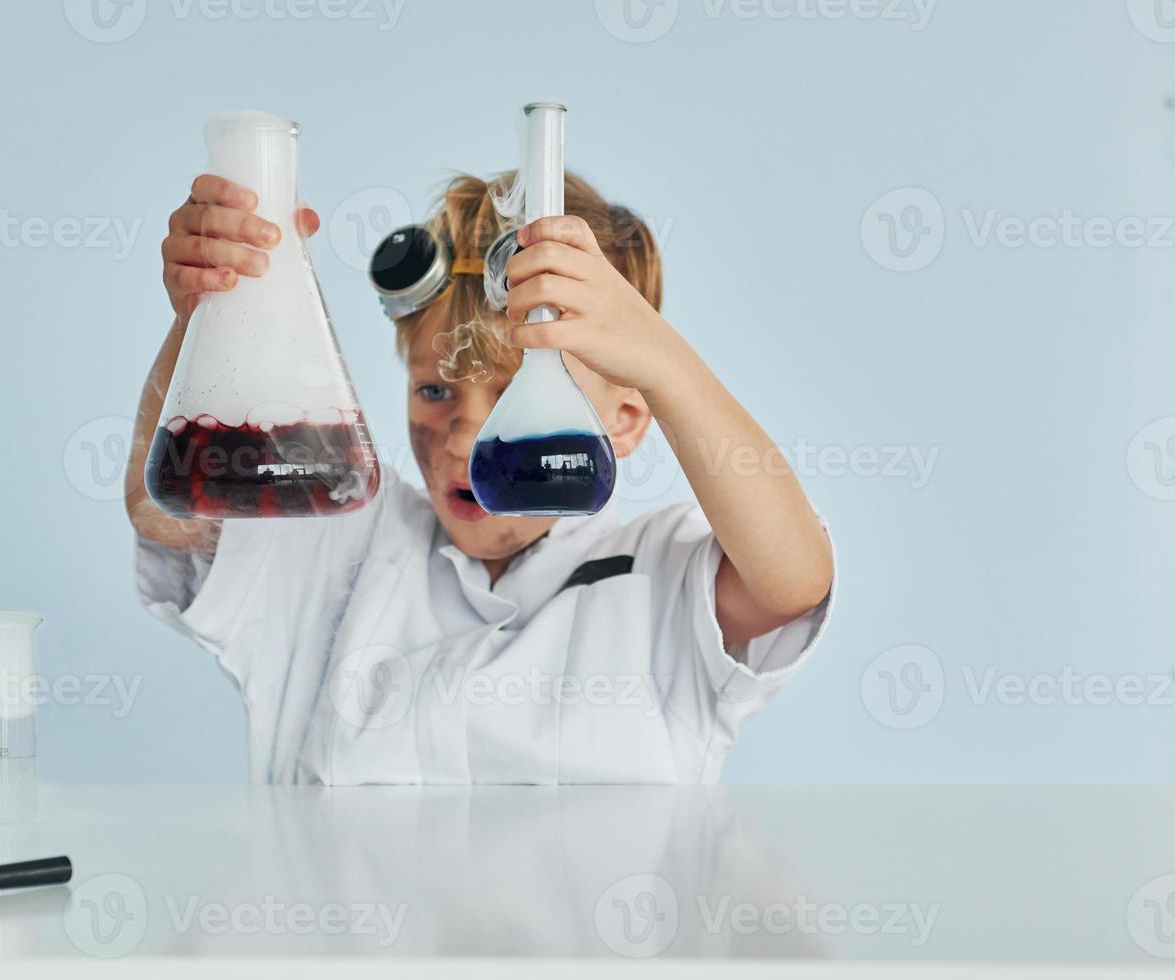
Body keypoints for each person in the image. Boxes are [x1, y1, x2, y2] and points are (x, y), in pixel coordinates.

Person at [127, 170, 835, 784]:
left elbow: (792, 578)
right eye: (434, 391)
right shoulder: (342, 544)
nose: (464, 435)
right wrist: (208, 317)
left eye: (511, 395)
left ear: (625, 417)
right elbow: (169, 512)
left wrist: (664, 363)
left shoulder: (662, 581)